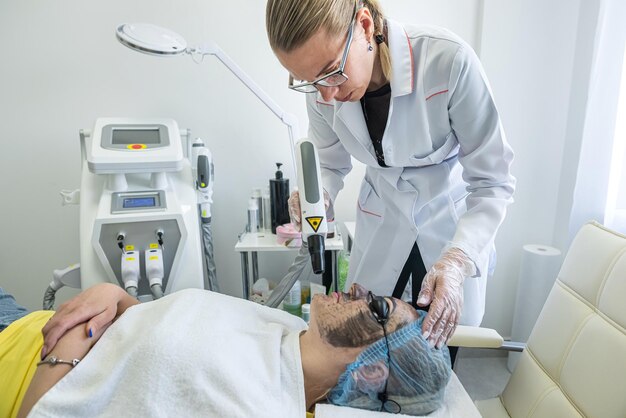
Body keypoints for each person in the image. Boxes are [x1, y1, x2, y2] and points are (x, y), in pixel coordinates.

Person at [266, 0, 515, 354]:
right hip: (382, 221)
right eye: (308, 81)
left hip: (450, 224)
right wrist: (317, 194)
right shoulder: (323, 90)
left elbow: (493, 182)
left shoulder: (448, 61)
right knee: (365, 347)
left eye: (331, 71)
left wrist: (458, 261)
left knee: (440, 352)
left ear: (365, 26)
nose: (327, 94)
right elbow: (329, 163)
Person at [1, 283, 451, 417]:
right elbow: (152, 346)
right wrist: (117, 297)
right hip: (28, 322)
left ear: (371, 373)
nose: (357, 289)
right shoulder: (288, 331)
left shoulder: (252, 405)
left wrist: (64, 352)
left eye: (376, 306)